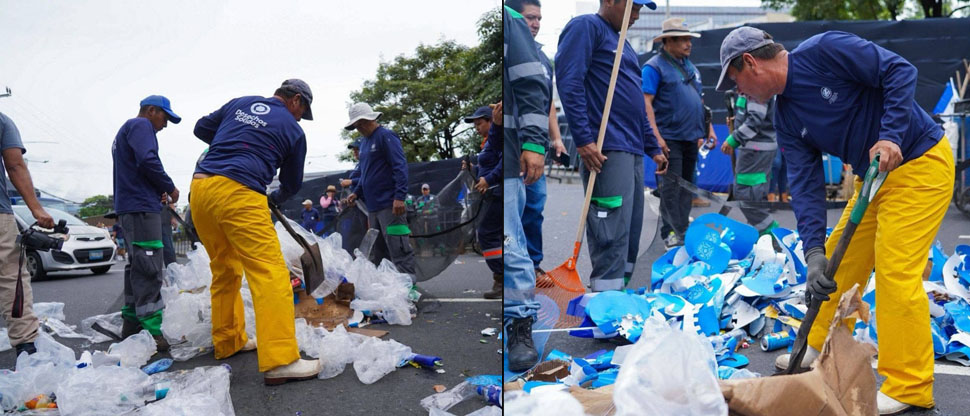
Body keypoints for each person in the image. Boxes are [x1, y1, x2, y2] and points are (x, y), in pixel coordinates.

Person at [717, 27, 953, 414]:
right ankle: (818, 344)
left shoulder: (825, 51)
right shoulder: (787, 116)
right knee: (835, 263)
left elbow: (900, 71)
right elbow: (806, 186)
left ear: (750, 62)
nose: (738, 92)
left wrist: (891, 136)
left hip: (919, 163)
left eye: (735, 82)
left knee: (895, 271)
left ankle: (910, 387)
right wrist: (812, 254)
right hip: (873, 179)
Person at [191, 79, 321, 385]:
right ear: (296, 101)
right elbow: (291, 182)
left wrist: (236, 137)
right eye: (303, 111)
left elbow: (200, 128)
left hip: (201, 190)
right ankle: (281, 361)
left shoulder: (241, 102)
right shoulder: (292, 129)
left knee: (224, 270)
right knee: (271, 273)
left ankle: (228, 341)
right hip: (240, 192)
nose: (301, 118)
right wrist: (274, 197)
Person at [556, 0, 666, 291]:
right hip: (605, 147)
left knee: (630, 228)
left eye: (641, 11)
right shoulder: (586, 27)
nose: (637, 17)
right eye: (634, 8)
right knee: (610, 228)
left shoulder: (624, 45)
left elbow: (636, 105)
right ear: (610, 1)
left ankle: (620, 294)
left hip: (630, 148)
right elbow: (570, 82)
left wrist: (652, 147)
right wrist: (584, 139)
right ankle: (605, 298)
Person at [111, 95, 181, 350]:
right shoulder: (141, 126)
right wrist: (168, 187)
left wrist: (155, 188)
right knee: (150, 265)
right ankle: (152, 331)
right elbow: (148, 160)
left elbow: (137, 167)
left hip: (131, 206)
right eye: (164, 117)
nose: (165, 125)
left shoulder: (124, 131)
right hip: (141, 208)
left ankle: (131, 323)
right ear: (151, 111)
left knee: (137, 264)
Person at [505, 0, 568, 283]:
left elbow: (546, 105)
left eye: (539, 18)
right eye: (530, 17)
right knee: (512, 212)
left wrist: (556, 140)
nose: (535, 23)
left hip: (535, 144)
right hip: (512, 144)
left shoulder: (544, 59)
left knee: (534, 206)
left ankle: (533, 263)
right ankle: (513, 273)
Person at [641, 17, 715, 248]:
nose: (688, 43)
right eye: (682, 39)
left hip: (691, 137)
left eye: (689, 39)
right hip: (669, 138)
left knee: (687, 187)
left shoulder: (690, 67)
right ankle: (670, 233)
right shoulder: (653, 67)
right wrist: (656, 138)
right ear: (668, 41)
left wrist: (708, 128)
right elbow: (646, 103)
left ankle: (682, 230)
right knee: (670, 189)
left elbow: (699, 101)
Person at [503, 3, 549, 372]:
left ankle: (520, 323)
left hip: (514, 149)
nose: (534, 24)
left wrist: (536, 142)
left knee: (512, 241)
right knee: (507, 239)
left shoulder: (511, 22)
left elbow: (533, 88)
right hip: (501, 153)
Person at [0, 112, 55, 356]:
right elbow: (14, 164)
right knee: (11, 278)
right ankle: (26, 346)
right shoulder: (2, 121)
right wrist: (36, 208)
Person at [344, 102, 417, 277]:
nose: (359, 128)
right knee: (380, 251)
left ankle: (408, 292)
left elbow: (400, 167)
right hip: (373, 208)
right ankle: (390, 291)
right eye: (356, 126)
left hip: (390, 205)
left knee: (398, 248)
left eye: (360, 124)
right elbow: (366, 174)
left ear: (369, 119)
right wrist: (356, 192)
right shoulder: (363, 143)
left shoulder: (386, 136)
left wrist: (399, 197)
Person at [720, 92, 779, 235]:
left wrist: (734, 139)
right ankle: (761, 234)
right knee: (752, 195)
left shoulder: (755, 86)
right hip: (755, 149)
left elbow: (755, 120)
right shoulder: (747, 86)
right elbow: (753, 114)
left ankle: (772, 235)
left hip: (756, 150)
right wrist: (738, 121)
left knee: (746, 195)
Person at [475, 105, 502, 300]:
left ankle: (502, 277)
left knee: (487, 234)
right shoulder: (487, 142)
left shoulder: (497, 136)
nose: (476, 127)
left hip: (498, 192)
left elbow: (504, 160)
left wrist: (489, 179)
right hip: (492, 192)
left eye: (479, 123)